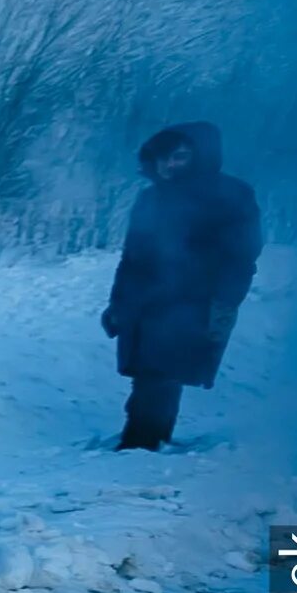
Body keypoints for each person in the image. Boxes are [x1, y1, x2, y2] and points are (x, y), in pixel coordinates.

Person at [101, 121, 260, 451]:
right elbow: (132, 258)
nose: (169, 165)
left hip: (194, 300)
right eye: (163, 158)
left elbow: (241, 256)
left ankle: (141, 442)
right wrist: (117, 303)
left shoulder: (231, 196)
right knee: (147, 371)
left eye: (181, 157)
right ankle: (147, 441)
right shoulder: (151, 198)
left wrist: (225, 303)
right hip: (146, 300)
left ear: (201, 157)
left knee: (162, 370)